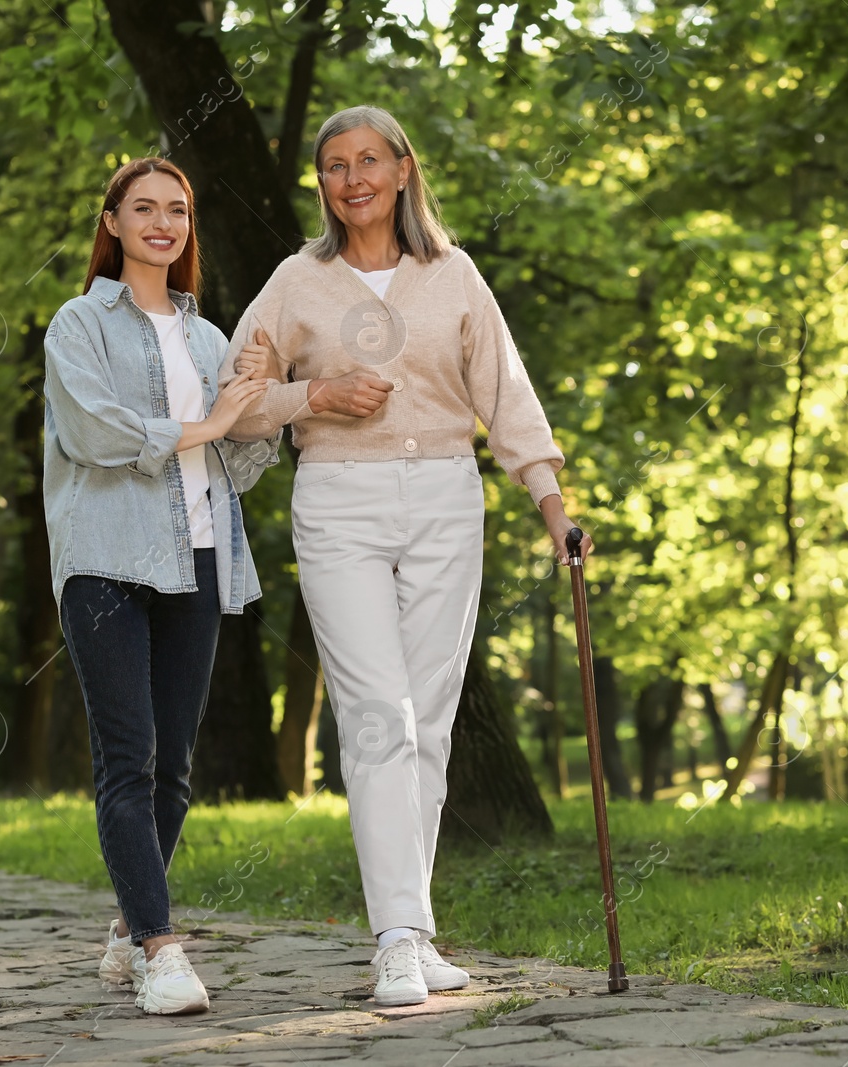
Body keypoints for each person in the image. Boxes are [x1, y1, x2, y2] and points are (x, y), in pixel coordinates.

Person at [221, 105, 590, 1007]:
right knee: (378, 716)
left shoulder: (452, 275)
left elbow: (507, 395)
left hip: (445, 503)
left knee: (427, 718)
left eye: (369, 161)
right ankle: (392, 937)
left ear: (402, 171)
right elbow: (238, 388)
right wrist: (317, 391)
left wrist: (553, 506)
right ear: (322, 184)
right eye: (334, 165)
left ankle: (412, 929)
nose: (353, 179)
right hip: (339, 499)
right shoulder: (297, 281)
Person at [43, 157, 281, 1015]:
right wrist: (212, 420)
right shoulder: (78, 324)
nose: (161, 222)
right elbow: (94, 432)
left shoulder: (210, 339)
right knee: (128, 758)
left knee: (174, 768)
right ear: (111, 222)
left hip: (201, 554)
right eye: (142, 208)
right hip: (107, 560)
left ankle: (128, 924)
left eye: (176, 209)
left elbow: (239, 461)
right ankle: (160, 947)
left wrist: (264, 403)